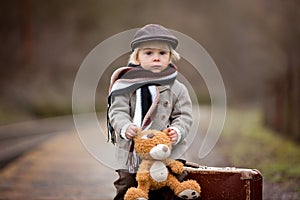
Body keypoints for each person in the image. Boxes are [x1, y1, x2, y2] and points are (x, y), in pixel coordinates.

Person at [107, 24, 193, 200]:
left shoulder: (177, 88)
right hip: (132, 151)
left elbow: (183, 115)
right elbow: (117, 111)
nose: (156, 58)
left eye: (162, 53)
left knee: (169, 187)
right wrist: (125, 127)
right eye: (149, 53)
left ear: (170, 57)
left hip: (167, 149)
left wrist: (177, 130)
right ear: (137, 58)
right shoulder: (126, 85)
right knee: (127, 186)